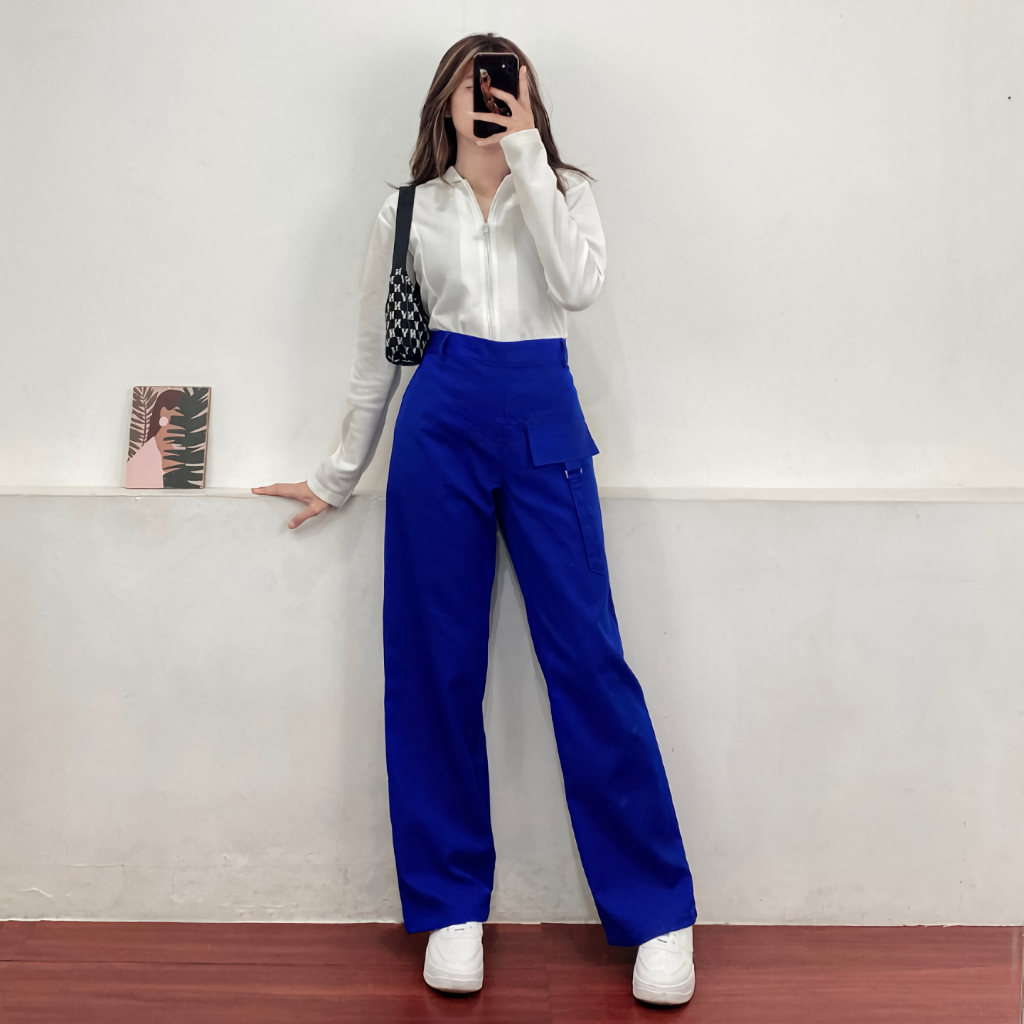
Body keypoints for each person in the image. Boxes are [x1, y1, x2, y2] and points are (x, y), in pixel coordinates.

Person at [253, 32, 698, 1007]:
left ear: (527, 98)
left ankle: (658, 913)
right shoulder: (408, 210)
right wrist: (335, 477)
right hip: (442, 419)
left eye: (504, 83)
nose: (485, 96)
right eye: (470, 82)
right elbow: (378, 356)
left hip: (543, 411)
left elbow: (577, 286)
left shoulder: (565, 190)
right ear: (443, 103)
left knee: (587, 660)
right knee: (433, 664)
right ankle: (451, 905)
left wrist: (529, 155)